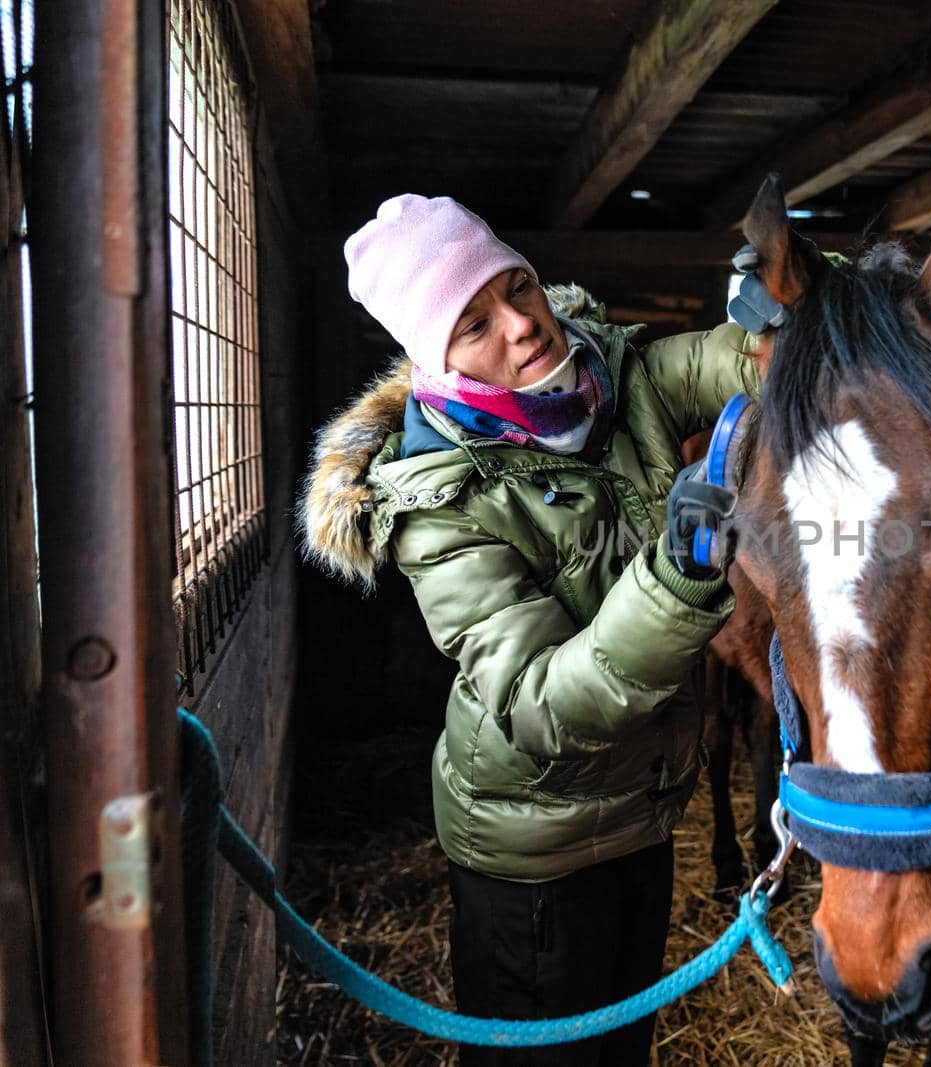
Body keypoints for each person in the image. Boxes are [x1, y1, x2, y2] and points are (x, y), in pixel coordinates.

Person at [297, 194, 768, 1066]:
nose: (520, 324)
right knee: (542, 1054)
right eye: (474, 323)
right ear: (437, 360)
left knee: (625, 1040)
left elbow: (728, 359)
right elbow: (538, 701)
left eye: (518, 286)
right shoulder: (441, 505)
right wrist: (673, 579)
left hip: (640, 809)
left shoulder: (607, 375)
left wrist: (804, 305)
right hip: (534, 846)